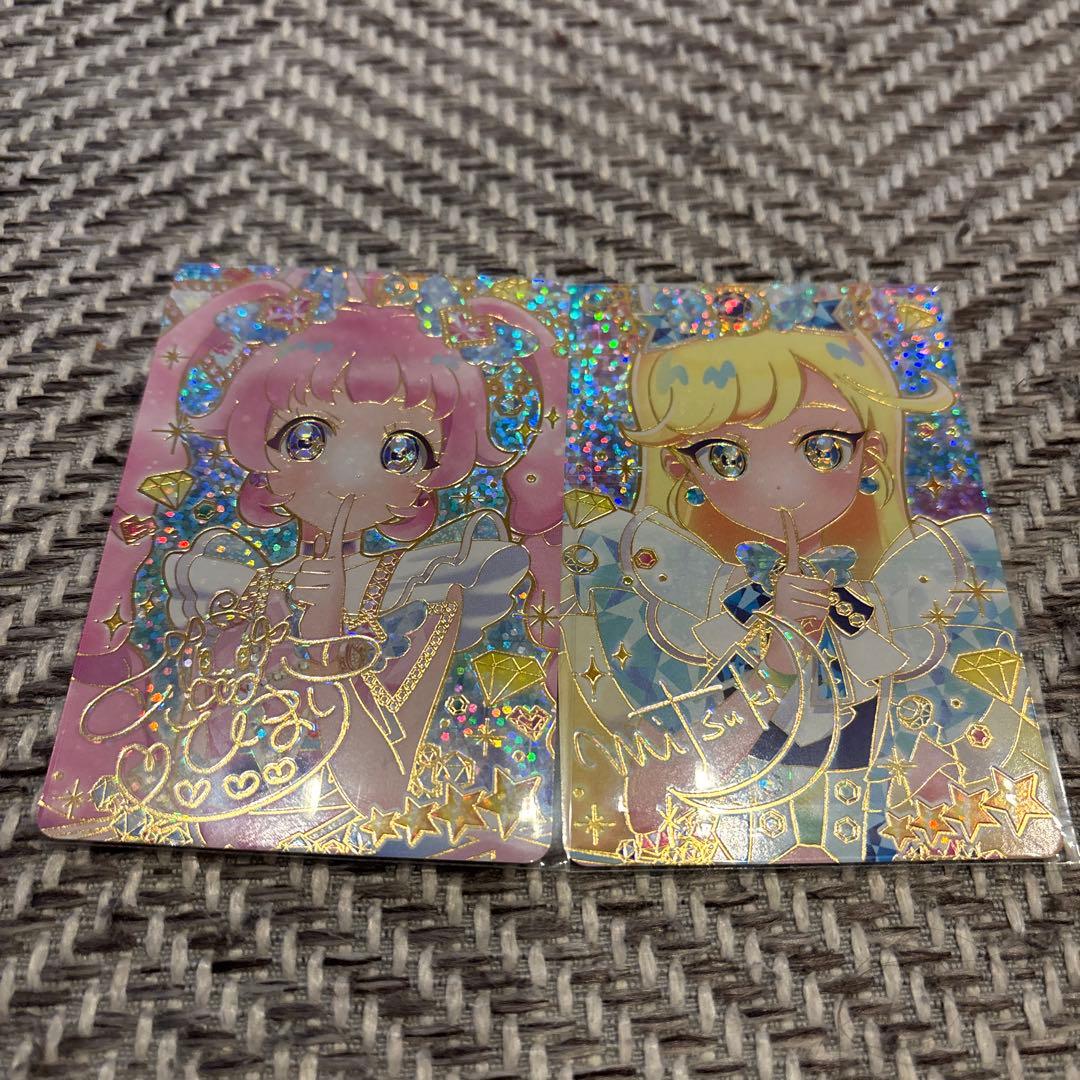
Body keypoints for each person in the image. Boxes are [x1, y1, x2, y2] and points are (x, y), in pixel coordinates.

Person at [40, 272, 563, 858]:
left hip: (345, 836)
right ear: (258, 450)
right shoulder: (237, 585)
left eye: (400, 452)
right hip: (204, 829)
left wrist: (325, 632)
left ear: (429, 479)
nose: (351, 474)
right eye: (306, 438)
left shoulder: (430, 590)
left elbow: (385, 795)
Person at [562, 293, 1060, 863]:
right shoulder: (686, 599)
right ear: (683, 469)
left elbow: (950, 763)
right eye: (726, 456)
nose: (778, 484)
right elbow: (660, 794)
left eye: (822, 448)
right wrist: (778, 654)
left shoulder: (910, 591)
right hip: (728, 826)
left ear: (870, 453)